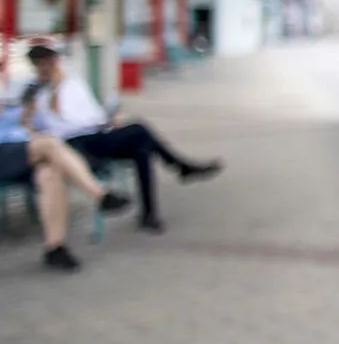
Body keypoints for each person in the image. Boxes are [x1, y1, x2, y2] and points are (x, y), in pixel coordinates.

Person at [23, 42, 223, 234]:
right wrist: (35, 106)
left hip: (95, 134)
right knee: (139, 129)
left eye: (48, 63)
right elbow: (39, 124)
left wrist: (107, 119)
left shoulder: (73, 83)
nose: (45, 69)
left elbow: (91, 114)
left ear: (56, 61)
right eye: (40, 65)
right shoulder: (36, 93)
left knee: (142, 148)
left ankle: (150, 213)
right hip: (73, 143)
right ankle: (180, 167)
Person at [0, 108, 132, 271]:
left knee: (50, 174)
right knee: (49, 143)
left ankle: (55, 247)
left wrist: (27, 117)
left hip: (23, 146)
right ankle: (100, 195)